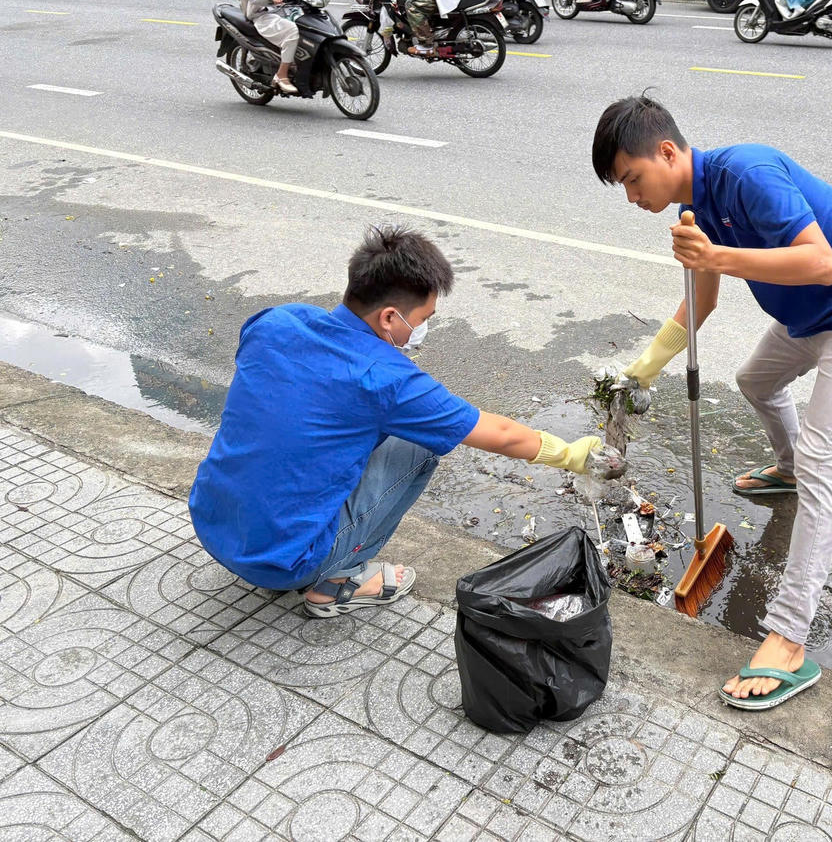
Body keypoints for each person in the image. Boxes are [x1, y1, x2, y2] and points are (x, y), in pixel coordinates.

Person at [592, 96, 832, 711]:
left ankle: (790, 638)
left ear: (666, 152)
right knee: (755, 381)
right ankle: (786, 469)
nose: (632, 197)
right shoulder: (696, 208)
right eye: (623, 188)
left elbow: (821, 264)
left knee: (827, 462)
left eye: (632, 178)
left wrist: (713, 254)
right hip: (809, 319)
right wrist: (642, 369)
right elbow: (703, 303)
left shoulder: (747, 174)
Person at [189, 225, 604, 619]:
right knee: (424, 443)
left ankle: (285, 545)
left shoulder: (277, 321)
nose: (421, 330)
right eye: (421, 320)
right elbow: (500, 434)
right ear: (389, 318)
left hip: (211, 521)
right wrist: (571, 454)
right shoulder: (385, 378)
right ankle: (333, 584)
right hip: (282, 563)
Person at [239, 0, 305, 94]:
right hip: (264, 12)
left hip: (287, 9)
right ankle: (281, 75)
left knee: (310, 27)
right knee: (292, 31)